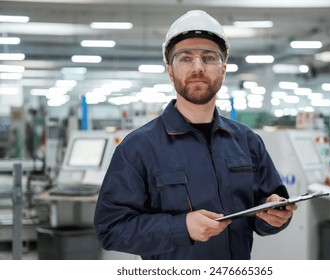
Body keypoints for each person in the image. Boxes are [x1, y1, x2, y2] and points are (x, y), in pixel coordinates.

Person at [94, 10, 297, 260]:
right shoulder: (137, 148)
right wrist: (182, 228)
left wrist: (275, 218)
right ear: (170, 70)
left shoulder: (247, 141)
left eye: (210, 58)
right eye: (185, 58)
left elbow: (265, 213)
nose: (198, 67)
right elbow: (111, 229)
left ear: (223, 69)